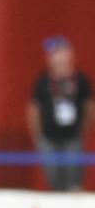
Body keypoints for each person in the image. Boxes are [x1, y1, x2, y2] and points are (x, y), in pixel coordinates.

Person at [28, 36, 91, 191]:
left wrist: (83, 131)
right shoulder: (43, 81)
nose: (53, 57)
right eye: (51, 54)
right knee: (54, 178)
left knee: (73, 178)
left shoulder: (81, 80)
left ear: (68, 54)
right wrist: (38, 136)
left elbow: (89, 107)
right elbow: (33, 110)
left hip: (72, 137)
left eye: (57, 52)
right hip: (49, 138)